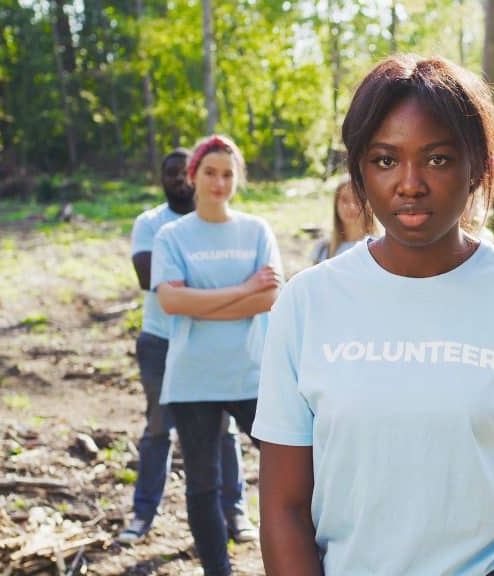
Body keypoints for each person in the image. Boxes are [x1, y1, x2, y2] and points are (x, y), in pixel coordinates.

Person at [254, 54, 494, 575]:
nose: (410, 183)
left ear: (476, 168)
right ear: (359, 171)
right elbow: (283, 509)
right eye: (385, 160)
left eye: (437, 159)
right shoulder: (307, 304)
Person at [151, 134, 283, 576]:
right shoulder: (172, 235)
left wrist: (204, 299)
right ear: (193, 176)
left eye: (228, 174)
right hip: (194, 378)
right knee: (203, 486)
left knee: (292, 470)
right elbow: (171, 303)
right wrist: (244, 289)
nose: (219, 182)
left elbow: (270, 298)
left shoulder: (256, 229)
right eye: (210, 172)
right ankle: (217, 570)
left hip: (253, 374)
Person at [117, 149, 256, 545]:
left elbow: (266, 291)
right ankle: (144, 514)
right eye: (171, 172)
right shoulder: (154, 225)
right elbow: (150, 281)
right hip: (162, 341)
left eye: (184, 172)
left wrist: (195, 297)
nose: (179, 179)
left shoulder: (234, 227)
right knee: (158, 428)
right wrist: (236, 293)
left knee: (225, 432)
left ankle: (236, 512)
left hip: (215, 347)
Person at [310, 178, 376, 264]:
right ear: (336, 204)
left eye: (357, 199)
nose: (351, 206)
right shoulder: (323, 249)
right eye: (345, 200)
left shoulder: (380, 248)